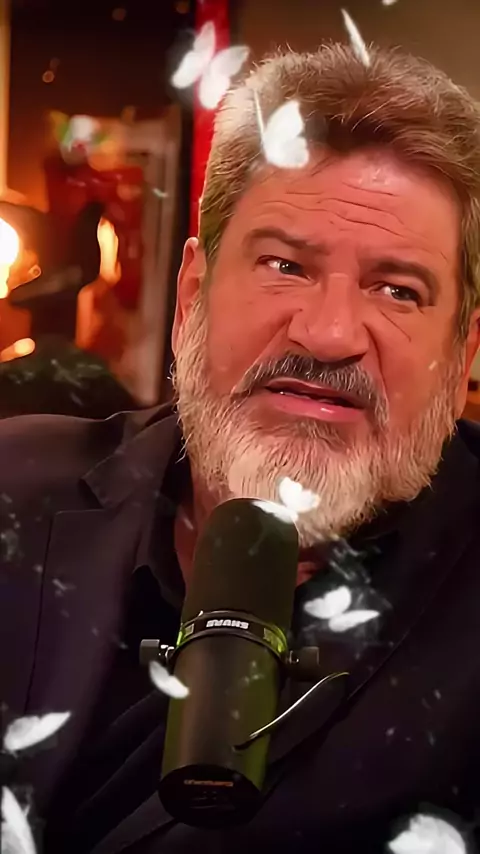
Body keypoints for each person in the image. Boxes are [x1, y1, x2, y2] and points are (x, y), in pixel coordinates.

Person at [2, 42, 480, 854]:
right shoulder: (11, 486)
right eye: (285, 265)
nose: (329, 334)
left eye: (398, 289)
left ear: (463, 354)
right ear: (193, 295)